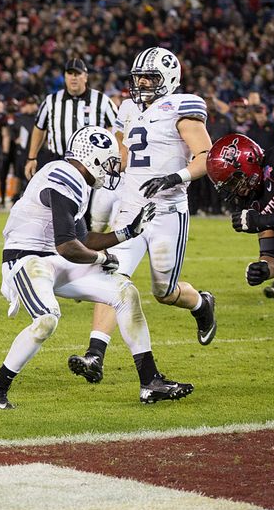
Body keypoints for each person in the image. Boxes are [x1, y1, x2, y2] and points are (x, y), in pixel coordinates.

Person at [0, 125, 193, 409]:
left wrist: (128, 232)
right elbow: (67, 245)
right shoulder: (64, 176)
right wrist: (102, 258)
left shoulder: (76, 180)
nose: (112, 170)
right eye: (109, 162)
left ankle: (150, 382)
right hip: (25, 259)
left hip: (53, 261)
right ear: (93, 158)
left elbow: (83, 239)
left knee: (125, 293)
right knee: (46, 319)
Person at [68, 47, 217, 386]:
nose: (143, 84)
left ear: (170, 79)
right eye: (139, 78)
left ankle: (201, 303)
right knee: (111, 278)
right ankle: (95, 353)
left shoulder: (184, 105)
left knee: (164, 292)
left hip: (167, 211)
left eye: (150, 77)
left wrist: (175, 177)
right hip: (131, 209)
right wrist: (110, 168)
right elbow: (123, 148)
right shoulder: (128, 106)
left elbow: (205, 156)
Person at [205, 125, 274, 304]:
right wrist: (265, 268)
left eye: (234, 181)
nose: (235, 190)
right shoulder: (253, 200)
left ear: (249, 159)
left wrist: (264, 220)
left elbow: (266, 221)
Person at [25, 58, 117, 181]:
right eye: (70, 73)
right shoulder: (51, 101)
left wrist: (111, 157)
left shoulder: (102, 100)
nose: (74, 77)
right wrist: (32, 157)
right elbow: (39, 128)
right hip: (58, 161)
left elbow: (116, 129)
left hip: (91, 166)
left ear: (85, 77)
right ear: (65, 76)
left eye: (78, 74)